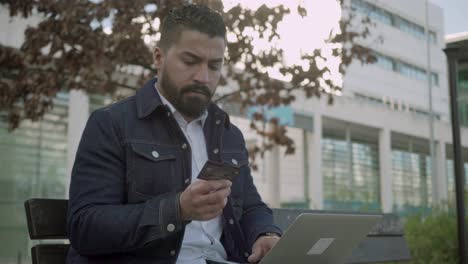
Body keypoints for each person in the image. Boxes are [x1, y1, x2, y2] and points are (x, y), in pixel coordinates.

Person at [66, 4, 282, 264]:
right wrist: (177, 209)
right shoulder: (111, 124)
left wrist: (265, 233)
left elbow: (250, 208)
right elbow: (85, 227)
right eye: (190, 61)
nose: (203, 76)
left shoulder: (229, 134)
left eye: (214, 66)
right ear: (158, 57)